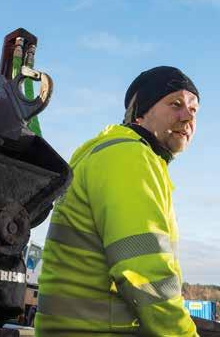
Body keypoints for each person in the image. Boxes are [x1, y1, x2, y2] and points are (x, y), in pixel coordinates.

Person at [35, 66, 200, 336]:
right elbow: (144, 271)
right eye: (176, 104)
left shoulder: (108, 151)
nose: (187, 117)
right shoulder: (129, 157)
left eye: (194, 110)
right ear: (141, 112)